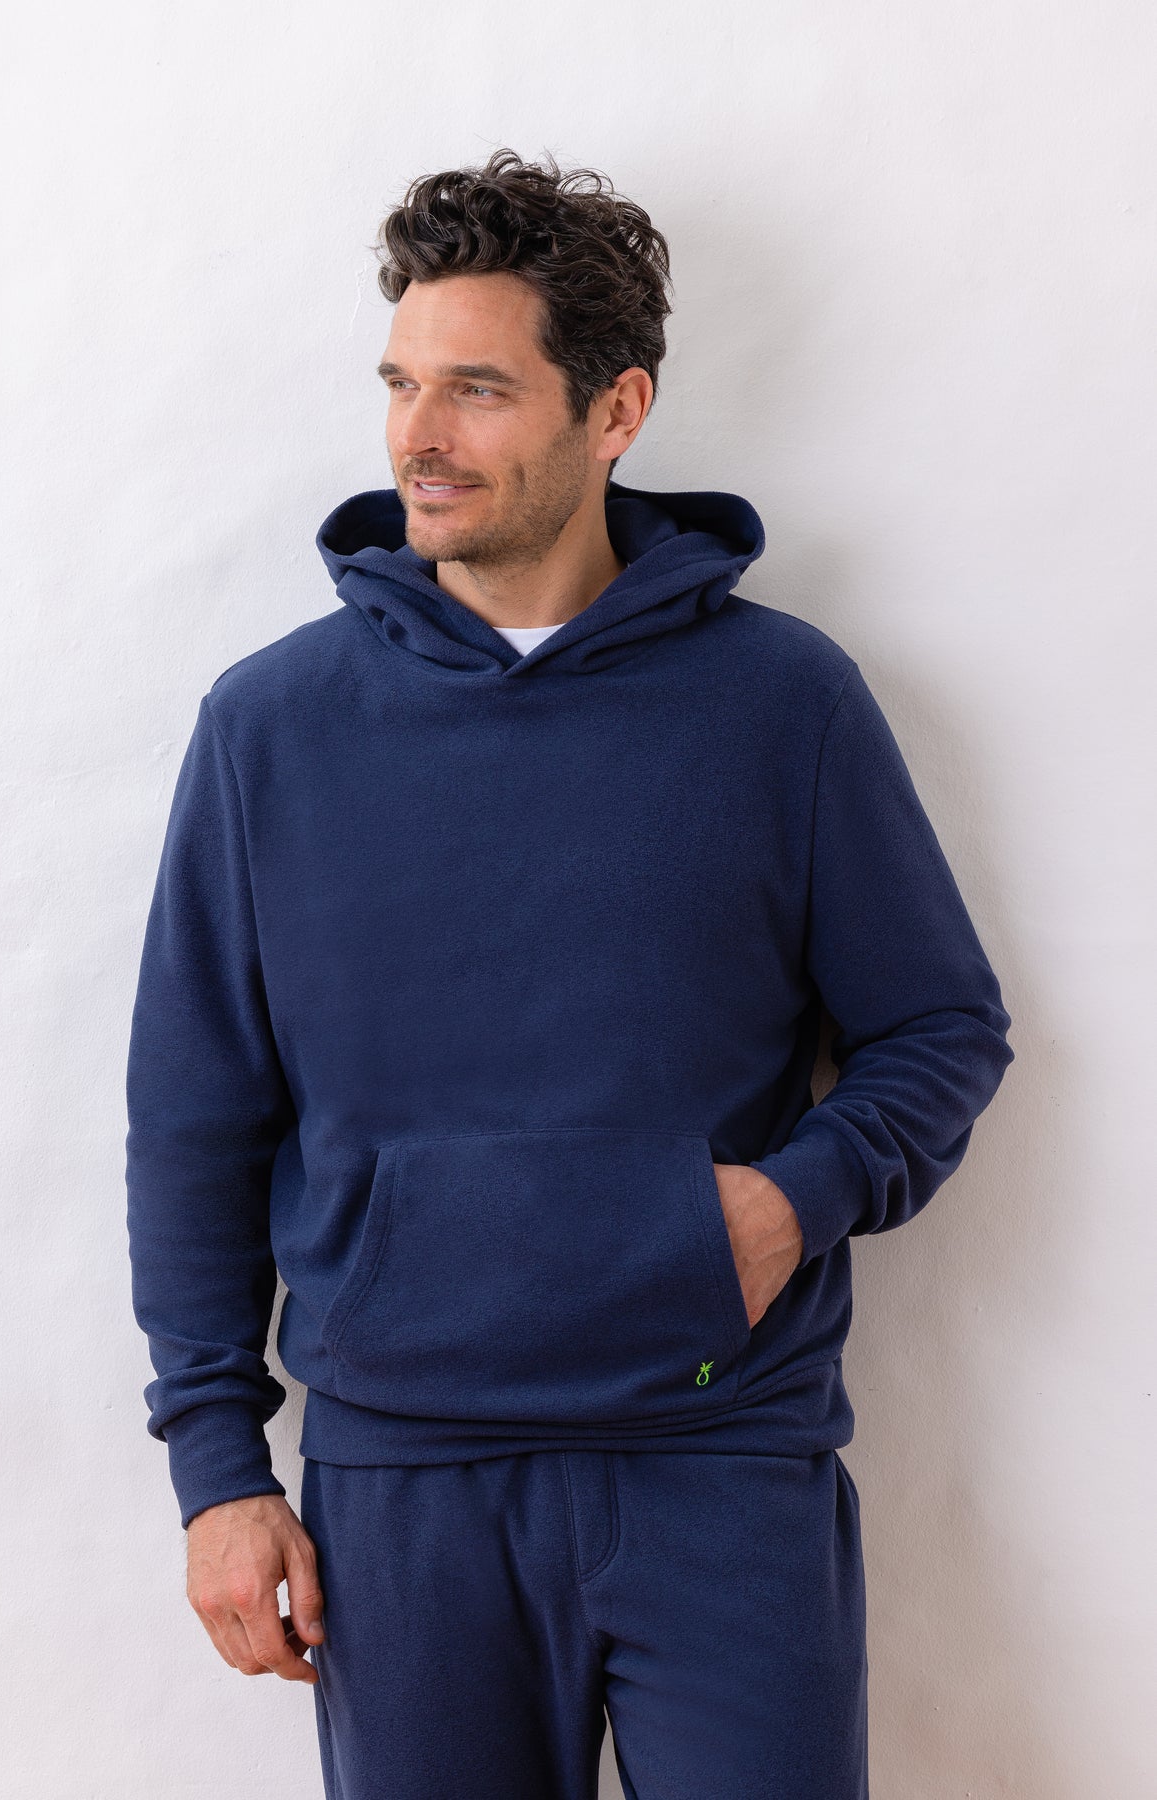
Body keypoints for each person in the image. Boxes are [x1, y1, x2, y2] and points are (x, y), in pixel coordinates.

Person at [124, 147, 1015, 1799]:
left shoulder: (784, 705)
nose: (418, 434)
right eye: (401, 383)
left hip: (724, 1463)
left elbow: (940, 1026)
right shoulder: (271, 730)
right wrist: (217, 1471)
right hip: (405, 1488)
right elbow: (194, 1121)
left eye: (476, 389)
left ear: (616, 412)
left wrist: (792, 1202)